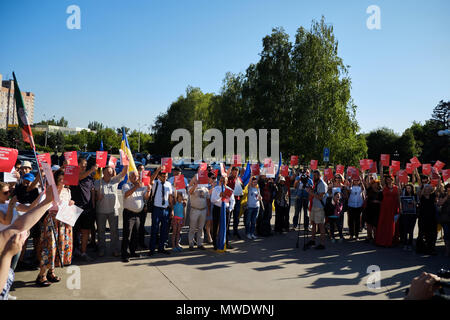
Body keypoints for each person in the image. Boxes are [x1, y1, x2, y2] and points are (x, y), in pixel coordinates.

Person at [0, 187, 54, 299]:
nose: (9, 194)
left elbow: (20, 222)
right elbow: (8, 221)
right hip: (8, 246)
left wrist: (45, 200)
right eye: (6, 192)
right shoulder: (9, 205)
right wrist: (7, 255)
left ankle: (6, 291)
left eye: (10, 191)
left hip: (13, 244)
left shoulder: (12, 203)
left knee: (11, 269)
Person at [36, 169, 74, 286]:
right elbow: (43, 204)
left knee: (59, 247)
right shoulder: (50, 190)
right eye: (61, 179)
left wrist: (71, 203)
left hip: (63, 221)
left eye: (65, 179)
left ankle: (51, 273)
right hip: (52, 220)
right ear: (56, 179)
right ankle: (41, 275)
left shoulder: (68, 190)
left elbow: (67, 204)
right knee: (49, 247)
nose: (63, 181)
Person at [94, 163, 128, 257]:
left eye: (111, 172)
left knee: (114, 232)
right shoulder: (97, 182)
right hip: (101, 211)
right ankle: (101, 249)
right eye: (108, 172)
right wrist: (97, 197)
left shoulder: (115, 180)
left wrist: (126, 163)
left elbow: (124, 173)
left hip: (113, 211)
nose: (110, 174)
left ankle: (115, 250)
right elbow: (93, 198)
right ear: (103, 173)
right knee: (101, 232)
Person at [71, 157, 98, 262]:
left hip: (88, 209)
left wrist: (93, 205)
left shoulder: (90, 177)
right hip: (75, 208)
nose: (84, 167)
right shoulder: (74, 175)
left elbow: (91, 191)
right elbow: (79, 178)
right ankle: (73, 251)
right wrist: (91, 170)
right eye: (82, 164)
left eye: (85, 165)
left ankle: (83, 252)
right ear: (77, 165)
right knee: (74, 232)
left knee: (86, 231)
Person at [122, 171, 151, 262]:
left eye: (137, 176)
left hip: (138, 214)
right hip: (129, 213)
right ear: (129, 177)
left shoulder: (142, 186)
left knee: (136, 234)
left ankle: (133, 251)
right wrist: (136, 187)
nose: (135, 177)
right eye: (133, 176)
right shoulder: (126, 185)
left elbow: (146, 198)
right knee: (127, 235)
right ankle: (125, 254)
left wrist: (148, 190)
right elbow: (126, 195)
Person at [148, 166, 174, 256]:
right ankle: (152, 249)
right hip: (156, 209)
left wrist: (172, 210)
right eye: (163, 176)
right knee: (154, 229)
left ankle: (161, 248)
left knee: (164, 230)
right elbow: (150, 181)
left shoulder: (169, 184)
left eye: (166, 176)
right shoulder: (155, 183)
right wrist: (157, 170)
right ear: (159, 176)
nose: (165, 178)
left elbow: (170, 198)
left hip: (166, 209)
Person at [210, 175, 235, 250]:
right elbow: (212, 200)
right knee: (215, 226)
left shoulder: (229, 189)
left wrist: (230, 209)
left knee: (226, 226)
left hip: (226, 209)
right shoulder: (216, 189)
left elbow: (232, 201)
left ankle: (226, 243)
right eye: (221, 180)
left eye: (224, 180)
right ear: (219, 181)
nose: (223, 182)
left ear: (227, 181)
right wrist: (219, 196)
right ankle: (215, 243)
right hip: (217, 208)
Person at [375, 175, 400, 247]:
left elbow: (398, 198)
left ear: (393, 180)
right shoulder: (384, 187)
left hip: (394, 208)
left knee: (393, 224)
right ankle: (383, 240)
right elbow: (382, 177)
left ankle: (392, 240)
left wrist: (400, 207)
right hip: (385, 208)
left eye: (390, 179)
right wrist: (381, 167)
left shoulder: (396, 188)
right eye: (387, 179)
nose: (388, 180)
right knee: (384, 223)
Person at [307, 170, 328, 249]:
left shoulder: (322, 184)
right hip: (314, 206)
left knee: (321, 225)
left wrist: (310, 192)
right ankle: (313, 240)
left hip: (320, 208)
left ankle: (322, 244)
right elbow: (315, 193)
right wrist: (310, 190)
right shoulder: (317, 183)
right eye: (313, 175)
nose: (314, 177)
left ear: (320, 176)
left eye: (316, 175)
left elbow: (320, 197)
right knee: (313, 223)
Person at [188, 175, 210, 250]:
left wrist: (208, 210)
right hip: (195, 209)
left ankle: (200, 243)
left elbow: (208, 199)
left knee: (201, 228)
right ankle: (191, 243)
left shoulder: (205, 189)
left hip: (203, 210)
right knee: (192, 228)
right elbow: (190, 192)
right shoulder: (193, 187)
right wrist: (195, 185)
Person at [416, 184, 438, 255]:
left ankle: (431, 249)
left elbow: (437, 189)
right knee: (421, 233)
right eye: (426, 189)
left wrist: (438, 180)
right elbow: (419, 192)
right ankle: (421, 249)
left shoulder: (433, 196)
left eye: (429, 189)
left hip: (432, 219)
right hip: (423, 218)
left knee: (432, 234)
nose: (427, 190)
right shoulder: (421, 196)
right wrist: (424, 186)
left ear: (431, 190)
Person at [363, 174, 383, 243]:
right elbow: (366, 182)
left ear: (378, 185)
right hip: (369, 209)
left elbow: (382, 201)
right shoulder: (369, 190)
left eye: (376, 184)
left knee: (375, 225)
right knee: (368, 224)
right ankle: (369, 237)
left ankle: (375, 238)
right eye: (373, 184)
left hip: (377, 210)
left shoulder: (380, 192)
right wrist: (368, 175)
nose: (374, 185)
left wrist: (377, 201)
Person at [399, 184, 418, 251]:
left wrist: (414, 202)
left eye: (409, 188)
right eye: (407, 188)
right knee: (405, 230)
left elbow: (417, 204)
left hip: (413, 215)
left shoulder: (415, 196)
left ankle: (410, 244)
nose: (408, 189)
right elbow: (401, 204)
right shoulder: (404, 196)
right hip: (405, 214)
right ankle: (405, 244)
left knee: (411, 230)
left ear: (412, 189)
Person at [347, 176, 365, 241]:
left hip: (358, 206)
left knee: (357, 221)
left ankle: (357, 235)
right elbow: (348, 189)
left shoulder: (360, 187)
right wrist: (350, 182)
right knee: (351, 221)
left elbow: (363, 188)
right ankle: (351, 235)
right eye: (355, 180)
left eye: (357, 180)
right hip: (351, 205)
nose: (356, 181)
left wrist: (361, 180)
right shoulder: (351, 187)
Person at [437, 183, 450, 256]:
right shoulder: (443, 194)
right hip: (445, 219)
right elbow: (439, 204)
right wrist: (447, 196)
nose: (449, 189)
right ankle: (447, 251)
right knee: (447, 235)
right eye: (448, 187)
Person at [204, 172, 216, 244]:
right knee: (208, 222)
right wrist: (212, 187)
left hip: (214, 205)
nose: (214, 179)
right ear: (208, 178)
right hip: (207, 205)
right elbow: (207, 194)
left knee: (212, 222)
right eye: (212, 178)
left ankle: (212, 235)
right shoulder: (206, 185)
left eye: (214, 178)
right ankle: (208, 236)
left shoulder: (215, 185)